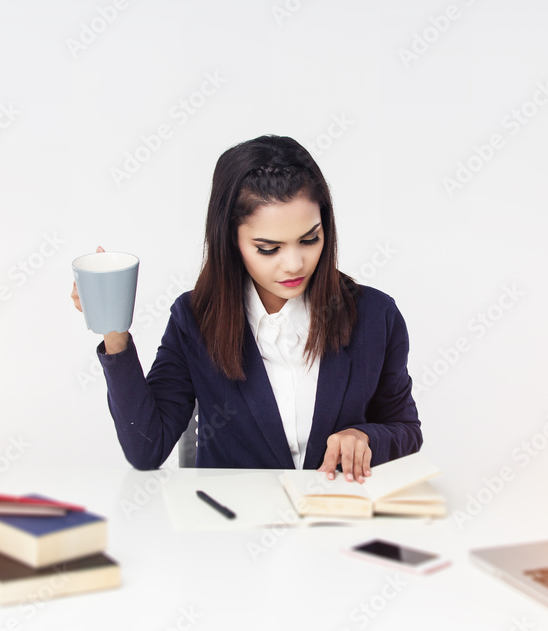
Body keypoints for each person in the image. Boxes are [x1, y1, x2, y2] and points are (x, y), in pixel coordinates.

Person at [71, 135, 421, 483]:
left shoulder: (376, 316)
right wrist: (113, 329)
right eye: (269, 248)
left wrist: (365, 438)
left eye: (310, 239)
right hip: (233, 526)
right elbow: (147, 450)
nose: (294, 264)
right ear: (231, 240)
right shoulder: (194, 317)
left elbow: (405, 429)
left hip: (335, 522)